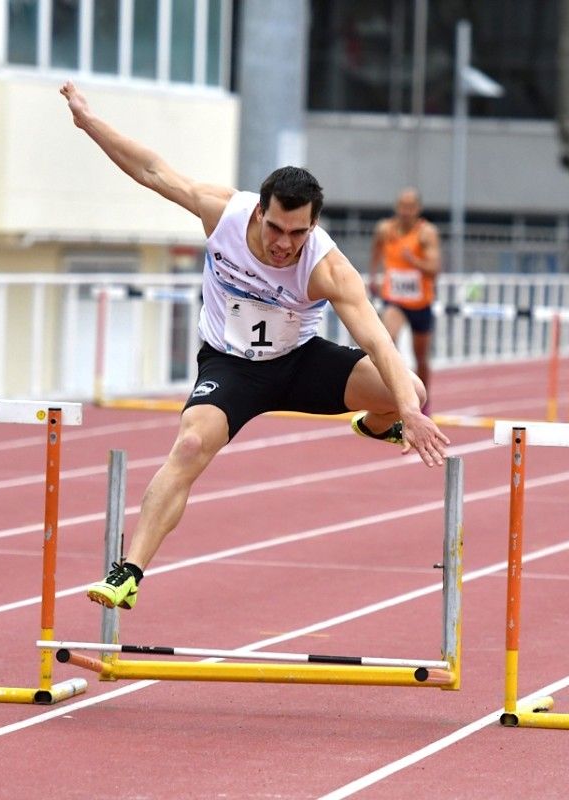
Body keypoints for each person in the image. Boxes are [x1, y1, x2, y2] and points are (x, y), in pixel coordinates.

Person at [59, 81, 450, 611]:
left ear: (313, 225)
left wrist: (410, 410)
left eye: (297, 232)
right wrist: (88, 123)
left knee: (410, 386)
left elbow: (377, 337)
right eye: (275, 228)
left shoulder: (327, 266)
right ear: (259, 211)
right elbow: (152, 170)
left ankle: (377, 425)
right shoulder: (221, 212)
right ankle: (129, 571)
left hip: (299, 362)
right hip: (231, 365)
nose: (283, 243)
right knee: (192, 445)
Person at [368, 188, 441, 415]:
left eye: (410, 207)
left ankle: (424, 401)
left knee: (421, 357)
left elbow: (434, 269)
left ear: (418, 209)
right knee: (387, 341)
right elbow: (376, 252)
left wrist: (414, 261)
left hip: (420, 304)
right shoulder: (385, 229)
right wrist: (373, 276)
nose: (405, 212)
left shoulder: (426, 233)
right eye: (402, 207)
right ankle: (393, 395)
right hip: (395, 300)